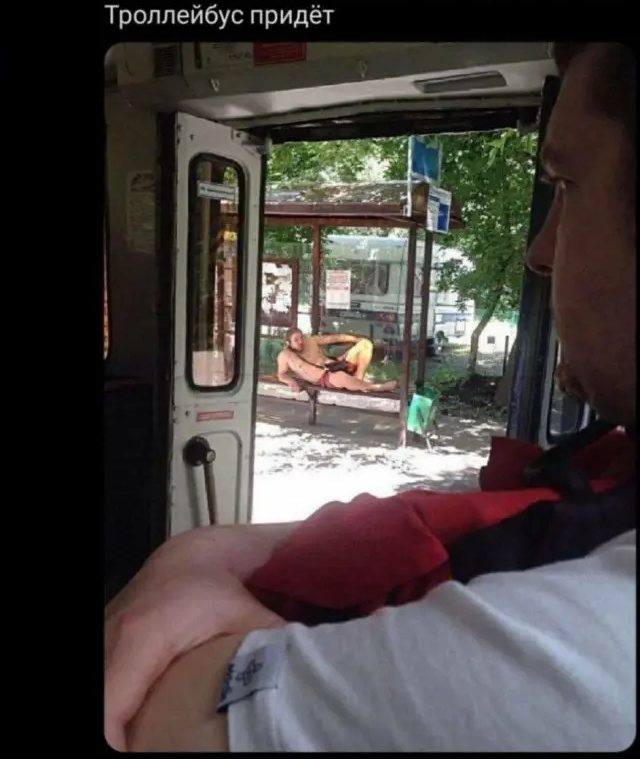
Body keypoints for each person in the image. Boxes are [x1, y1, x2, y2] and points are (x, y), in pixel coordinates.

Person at [105, 43, 635, 751]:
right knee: (355, 378)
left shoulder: (593, 641)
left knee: (359, 371)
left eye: (567, 183)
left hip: (328, 378)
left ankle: (382, 387)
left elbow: (159, 718)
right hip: (321, 382)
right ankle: (383, 387)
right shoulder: (606, 507)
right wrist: (197, 552)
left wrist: (195, 567)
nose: (540, 251)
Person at [276, 326, 397, 393]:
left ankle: (358, 380)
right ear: (288, 342)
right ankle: (377, 387)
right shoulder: (285, 356)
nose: (300, 341)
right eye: (296, 340)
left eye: (301, 338)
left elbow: (333, 338)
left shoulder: (310, 340)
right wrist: (291, 382)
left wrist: (356, 340)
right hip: (325, 377)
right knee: (341, 377)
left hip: (337, 365)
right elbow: (281, 374)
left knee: (365, 344)